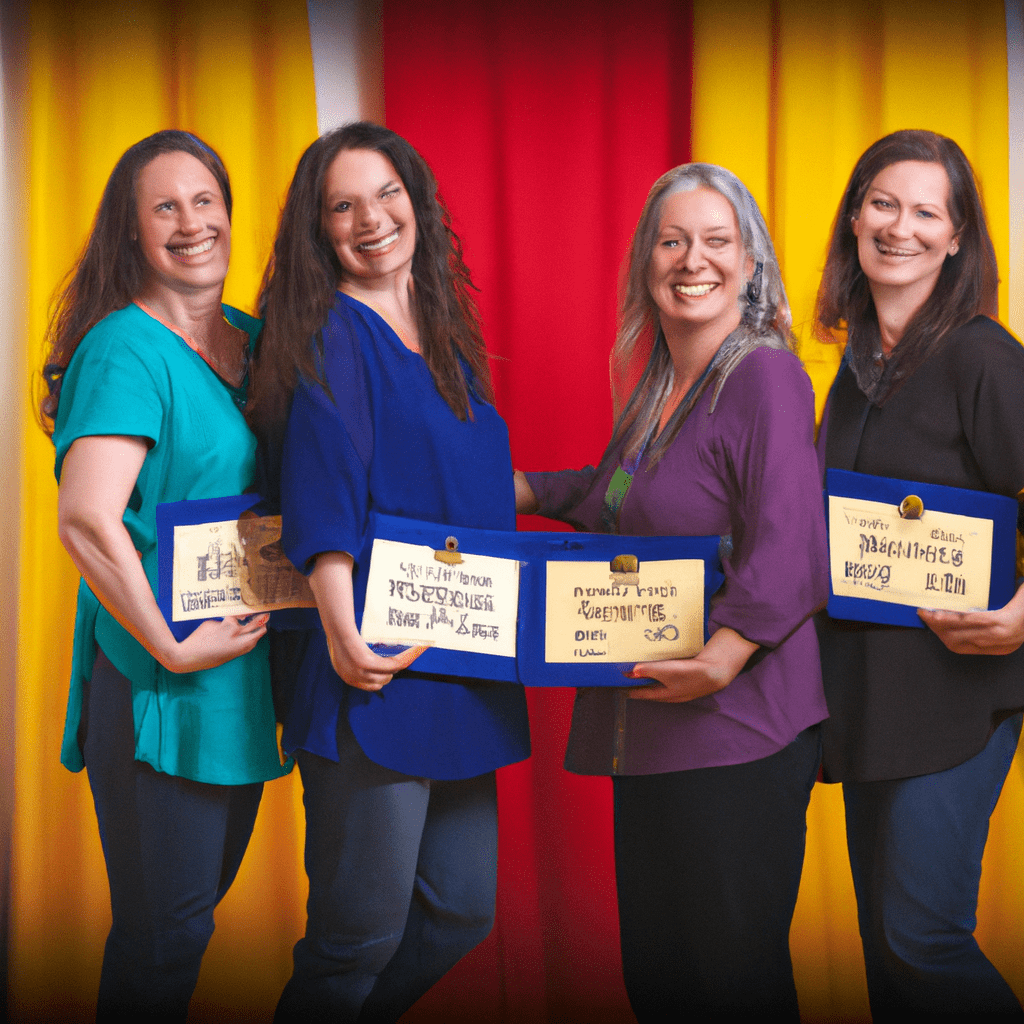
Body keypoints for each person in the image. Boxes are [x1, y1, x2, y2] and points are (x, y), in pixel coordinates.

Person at [515, 163, 829, 1021]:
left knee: (732, 981)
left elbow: (793, 537)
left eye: (717, 241)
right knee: (660, 980)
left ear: (752, 264)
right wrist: (517, 490)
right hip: (650, 722)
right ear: (647, 263)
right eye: (673, 239)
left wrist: (723, 659)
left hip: (737, 728)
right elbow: (620, 499)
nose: (694, 259)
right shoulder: (659, 387)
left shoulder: (764, 376)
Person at [247, 122, 530, 1023]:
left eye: (386, 195)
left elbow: (470, 488)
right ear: (318, 230)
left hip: (463, 665)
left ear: (417, 202)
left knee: (460, 910)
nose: (370, 219)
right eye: (342, 205)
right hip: (376, 663)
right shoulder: (333, 330)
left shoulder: (446, 340)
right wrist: (342, 633)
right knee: (355, 939)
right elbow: (325, 491)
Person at [42, 130, 288, 1021]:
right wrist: (172, 646)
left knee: (187, 925)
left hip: (243, 672)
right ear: (133, 233)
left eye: (206, 201)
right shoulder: (123, 348)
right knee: (165, 939)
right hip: (162, 678)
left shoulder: (254, 341)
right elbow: (86, 519)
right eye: (165, 207)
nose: (192, 223)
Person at [815, 129, 1024, 1021]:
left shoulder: (981, 354)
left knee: (921, 940)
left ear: (955, 236)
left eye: (925, 211)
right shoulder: (856, 373)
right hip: (869, 696)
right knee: (889, 964)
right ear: (856, 218)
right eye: (883, 204)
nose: (900, 227)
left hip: (958, 698)